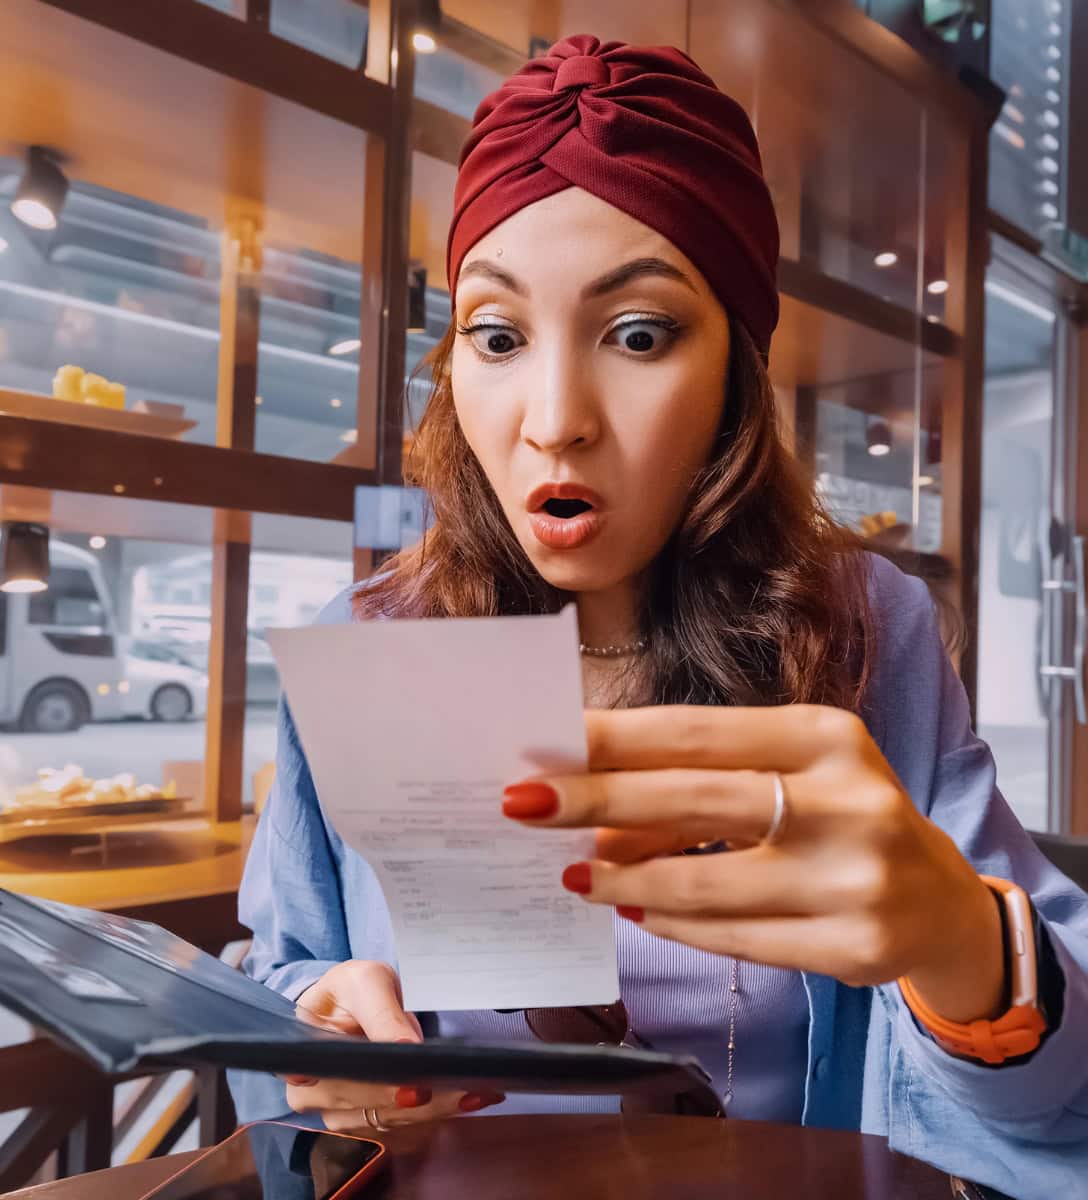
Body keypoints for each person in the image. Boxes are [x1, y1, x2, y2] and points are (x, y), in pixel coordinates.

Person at [229, 35, 1088, 1198]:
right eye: (497, 336)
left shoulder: (860, 631)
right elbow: (279, 977)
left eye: (638, 334)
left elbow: (1060, 1098)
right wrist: (319, 1032)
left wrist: (962, 941)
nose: (555, 419)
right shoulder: (371, 639)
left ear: (736, 369)